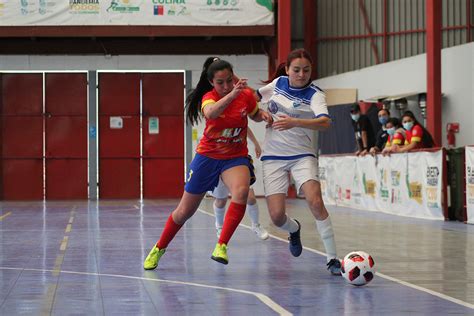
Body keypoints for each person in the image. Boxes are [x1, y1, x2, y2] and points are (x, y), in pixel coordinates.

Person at [143, 57, 272, 269]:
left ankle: (221, 245)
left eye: (229, 80)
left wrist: (263, 114)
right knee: (184, 211)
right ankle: (159, 248)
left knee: (241, 192)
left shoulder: (245, 95)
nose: (226, 86)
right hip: (208, 158)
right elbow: (211, 112)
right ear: (212, 82)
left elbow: (254, 114)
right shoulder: (209, 98)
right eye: (220, 82)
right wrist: (233, 94)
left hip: (234, 157)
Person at [256, 48, 342, 275]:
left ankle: (332, 259)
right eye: (296, 70)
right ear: (287, 69)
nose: (301, 74)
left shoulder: (316, 94)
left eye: (306, 70)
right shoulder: (277, 84)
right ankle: (294, 229)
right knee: (276, 217)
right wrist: (260, 114)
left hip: (302, 155)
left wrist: (296, 122)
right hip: (273, 156)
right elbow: (252, 101)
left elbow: (325, 122)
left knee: (315, 201)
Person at [212, 128, 269, 240]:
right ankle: (219, 226)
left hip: (237, 161)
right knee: (221, 200)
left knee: (250, 197)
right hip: (218, 162)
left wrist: (256, 143)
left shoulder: (238, 114)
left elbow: (245, 127)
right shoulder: (214, 117)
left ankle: (256, 225)